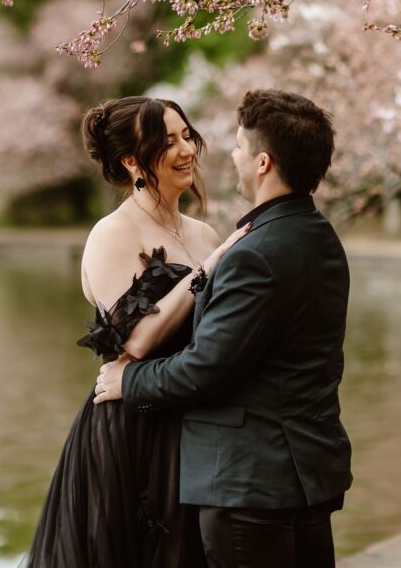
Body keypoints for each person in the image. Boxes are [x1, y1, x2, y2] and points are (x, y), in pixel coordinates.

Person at [94, 89, 352, 568]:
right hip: (305, 471)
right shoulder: (321, 238)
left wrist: (127, 379)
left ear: (262, 163)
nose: (221, 154)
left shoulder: (251, 250)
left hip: (249, 481)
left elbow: (207, 367)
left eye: (238, 147)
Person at [24, 96, 248, 568]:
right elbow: (137, 340)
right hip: (131, 429)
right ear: (131, 161)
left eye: (187, 135)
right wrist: (209, 268)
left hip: (190, 420)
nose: (186, 149)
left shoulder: (204, 233)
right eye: (168, 142)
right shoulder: (113, 234)